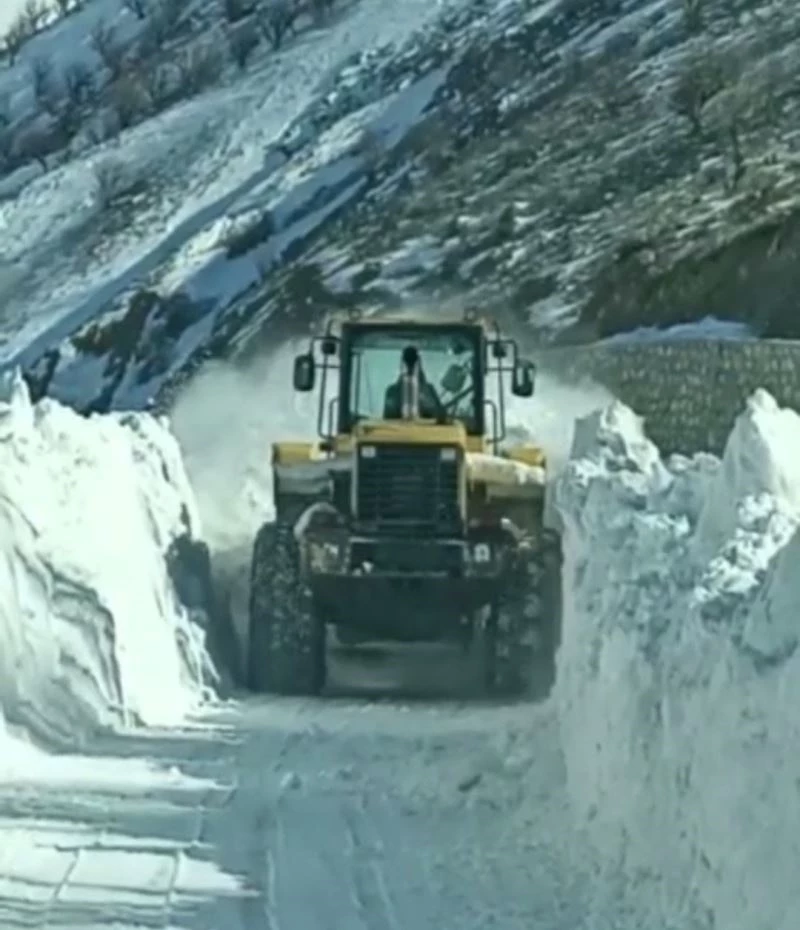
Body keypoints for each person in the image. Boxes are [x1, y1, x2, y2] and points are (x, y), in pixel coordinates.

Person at [383, 345, 443, 419]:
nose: (410, 367)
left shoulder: (428, 390)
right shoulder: (393, 391)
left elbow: (438, 416)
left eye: (412, 363)